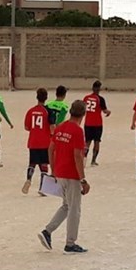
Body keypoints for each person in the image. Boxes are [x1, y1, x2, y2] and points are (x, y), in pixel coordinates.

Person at [37, 100, 90, 254]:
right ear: (83, 114)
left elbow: (51, 148)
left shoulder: (60, 128)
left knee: (66, 205)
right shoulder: (78, 131)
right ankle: (70, 243)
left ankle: (47, 231)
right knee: (74, 208)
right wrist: (83, 179)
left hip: (60, 172)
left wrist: (54, 169)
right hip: (71, 174)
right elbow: (78, 156)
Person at [22, 88, 53, 195]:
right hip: (44, 142)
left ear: (37, 97)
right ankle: (42, 188)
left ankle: (29, 179)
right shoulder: (48, 111)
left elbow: (26, 127)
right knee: (44, 165)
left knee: (32, 163)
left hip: (33, 141)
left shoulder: (30, 111)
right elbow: (52, 128)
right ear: (46, 98)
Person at [82, 80, 111, 167]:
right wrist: (109, 112)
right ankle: (93, 160)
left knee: (87, 142)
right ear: (99, 89)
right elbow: (105, 111)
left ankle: (84, 159)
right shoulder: (100, 99)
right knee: (97, 142)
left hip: (88, 123)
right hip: (97, 124)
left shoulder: (86, 98)